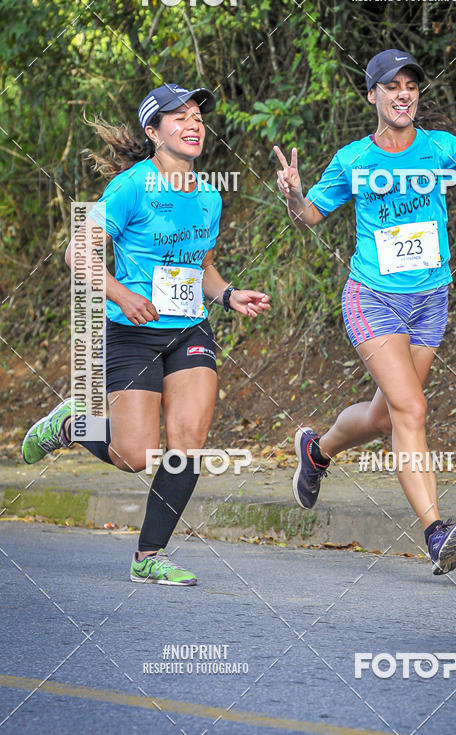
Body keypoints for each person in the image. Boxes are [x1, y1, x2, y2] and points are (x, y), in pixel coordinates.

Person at [274, 49, 456, 576]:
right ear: (373, 96)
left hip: (431, 301)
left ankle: (317, 451)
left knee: (387, 414)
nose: (403, 92)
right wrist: (294, 195)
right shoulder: (353, 160)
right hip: (374, 297)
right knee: (412, 409)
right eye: (391, 86)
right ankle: (435, 532)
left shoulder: (441, 148)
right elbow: (311, 217)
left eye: (410, 84)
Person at [22, 82, 270, 585]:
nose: (193, 123)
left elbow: (200, 266)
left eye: (197, 115)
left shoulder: (207, 195)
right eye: (178, 117)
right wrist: (121, 295)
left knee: (188, 441)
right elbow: (79, 254)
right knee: (134, 455)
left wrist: (228, 295)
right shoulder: (132, 186)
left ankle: (149, 556)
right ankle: (74, 425)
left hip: (189, 330)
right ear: (154, 132)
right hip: (131, 332)